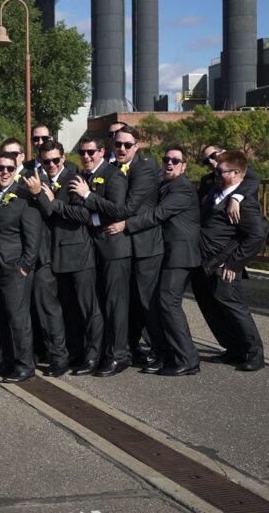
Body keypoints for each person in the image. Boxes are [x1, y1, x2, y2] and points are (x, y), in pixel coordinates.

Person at [108, 146, 202, 376]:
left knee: (168, 302)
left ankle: (187, 359)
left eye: (176, 160)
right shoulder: (166, 183)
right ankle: (169, 354)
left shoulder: (183, 189)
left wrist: (126, 224)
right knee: (162, 303)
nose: (169, 163)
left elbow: (158, 213)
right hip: (169, 253)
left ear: (184, 166)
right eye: (166, 159)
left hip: (181, 254)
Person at [24, 141, 103, 376]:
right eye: (46, 161)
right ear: (40, 159)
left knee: (86, 307)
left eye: (55, 160)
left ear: (63, 158)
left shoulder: (74, 179)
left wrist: (49, 200)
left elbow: (82, 214)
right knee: (51, 307)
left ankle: (92, 355)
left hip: (76, 251)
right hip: (46, 253)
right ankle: (59, 356)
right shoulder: (32, 179)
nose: (51, 165)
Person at [192, 150, 267, 372]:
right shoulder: (216, 192)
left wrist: (234, 263)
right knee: (213, 309)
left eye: (220, 171)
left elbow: (257, 235)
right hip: (204, 262)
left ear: (236, 174)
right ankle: (233, 349)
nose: (216, 174)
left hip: (222, 265)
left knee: (234, 308)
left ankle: (254, 353)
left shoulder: (244, 202)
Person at [68, 134, 132, 377]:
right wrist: (90, 213)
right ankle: (94, 354)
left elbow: (118, 210)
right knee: (95, 305)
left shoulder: (115, 175)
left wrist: (88, 198)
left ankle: (118, 355)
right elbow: (76, 211)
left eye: (91, 152)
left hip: (114, 248)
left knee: (115, 305)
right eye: (82, 152)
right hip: (91, 249)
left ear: (102, 152)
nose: (86, 156)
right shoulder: (81, 178)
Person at [1, 138, 64, 375]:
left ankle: (58, 357)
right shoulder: (2, 179)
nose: (12, 159)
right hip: (16, 258)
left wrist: (39, 194)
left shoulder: (38, 176)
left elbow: (50, 211)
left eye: (16, 154)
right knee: (23, 313)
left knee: (47, 308)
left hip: (42, 254)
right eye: (6, 154)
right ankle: (29, 355)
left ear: (21, 156)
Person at [108, 124, 165, 368]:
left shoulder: (145, 168)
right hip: (125, 247)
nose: (122, 148)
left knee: (148, 301)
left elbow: (129, 208)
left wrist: (124, 224)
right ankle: (132, 348)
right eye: (118, 144)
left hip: (146, 245)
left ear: (137, 146)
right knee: (131, 302)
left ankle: (163, 353)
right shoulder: (112, 168)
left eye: (127, 145)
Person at [0, 152, 40, 383]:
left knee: (19, 320)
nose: (5, 172)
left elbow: (33, 235)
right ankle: (8, 360)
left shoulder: (23, 196)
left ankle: (25, 365)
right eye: (0, 168)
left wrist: (25, 266)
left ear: (15, 170)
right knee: (3, 318)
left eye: (10, 168)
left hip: (15, 268)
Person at [198, 144, 260, 225]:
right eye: (206, 161)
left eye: (213, 156)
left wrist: (235, 198)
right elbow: (200, 202)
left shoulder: (241, 170)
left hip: (244, 222)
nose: (210, 161)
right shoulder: (206, 180)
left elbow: (253, 180)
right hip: (216, 226)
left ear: (224, 152)